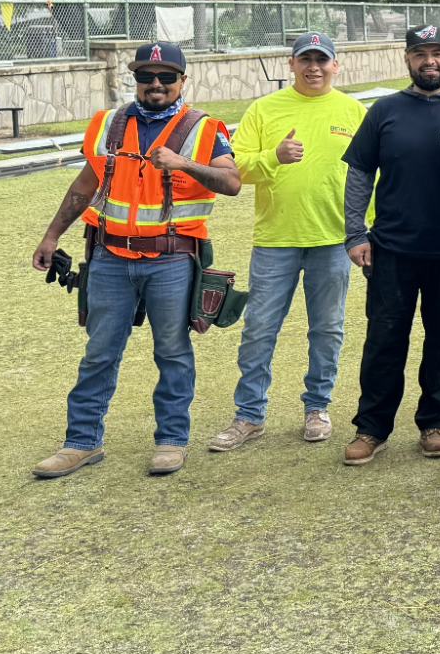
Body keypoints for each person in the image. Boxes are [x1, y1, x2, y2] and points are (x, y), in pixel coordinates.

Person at [28, 43, 240, 478]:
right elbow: (86, 183)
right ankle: (82, 443)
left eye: (166, 77)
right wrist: (52, 234)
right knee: (99, 354)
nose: (156, 85)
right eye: (147, 77)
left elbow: (231, 182)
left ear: (183, 80)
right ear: (136, 81)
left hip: (171, 260)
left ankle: (171, 440)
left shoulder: (204, 128)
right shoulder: (109, 124)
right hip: (108, 257)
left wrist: (183, 163)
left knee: (173, 353)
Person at [211, 31, 365, 451]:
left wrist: (363, 231)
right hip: (275, 239)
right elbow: (234, 169)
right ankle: (249, 415)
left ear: (336, 65)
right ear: (290, 64)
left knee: (327, 329)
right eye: (305, 59)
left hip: (333, 239)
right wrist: (272, 157)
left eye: (322, 59)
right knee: (260, 329)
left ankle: (317, 407)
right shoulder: (264, 110)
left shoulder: (353, 112)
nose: (313, 67)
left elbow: (372, 176)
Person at [340, 25, 440, 465]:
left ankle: (434, 421)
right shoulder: (385, 110)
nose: (429, 61)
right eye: (420, 53)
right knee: (383, 340)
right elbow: (360, 172)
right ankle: (371, 428)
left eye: (438, 53)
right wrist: (356, 233)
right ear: (407, 59)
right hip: (391, 250)